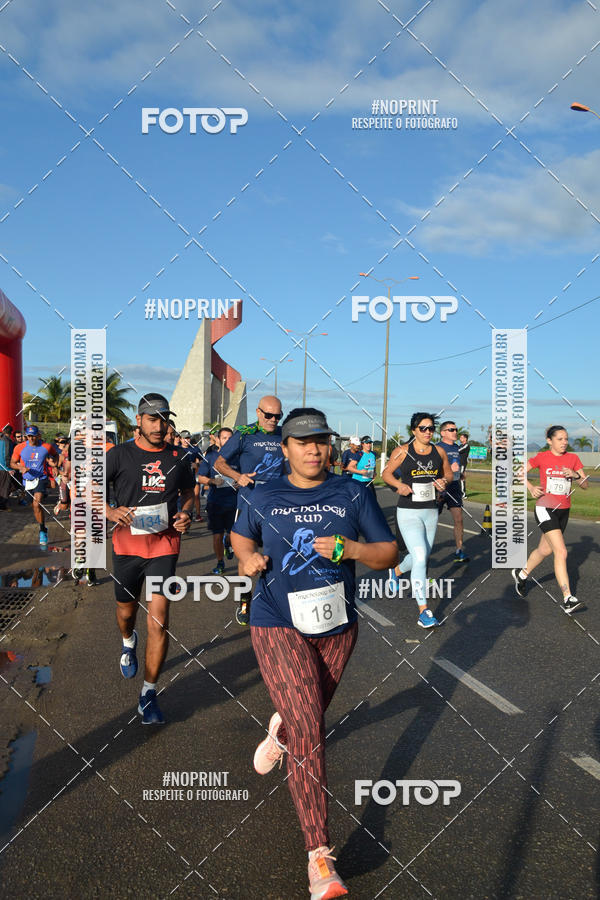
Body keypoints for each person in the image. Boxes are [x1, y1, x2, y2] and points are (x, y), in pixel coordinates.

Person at [231, 408, 397, 899]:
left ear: (330, 444)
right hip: (276, 619)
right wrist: (246, 558)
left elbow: (388, 552)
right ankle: (319, 857)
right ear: (284, 449)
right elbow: (241, 535)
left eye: (320, 440)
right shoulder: (261, 493)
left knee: (304, 715)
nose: (313, 449)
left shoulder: (354, 491)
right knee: (310, 724)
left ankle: (281, 727)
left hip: (337, 624)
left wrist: (352, 550)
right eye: (302, 442)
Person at [105, 393, 195, 724]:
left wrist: (186, 514)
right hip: (127, 547)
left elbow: (189, 494)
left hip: (164, 546)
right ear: (138, 422)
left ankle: (148, 694)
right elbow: (90, 489)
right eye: (152, 419)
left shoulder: (179, 457)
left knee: (159, 618)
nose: (159, 425)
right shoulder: (119, 454)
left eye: (164, 419)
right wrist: (111, 511)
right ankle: (128, 641)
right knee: (126, 614)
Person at [214, 395, 286, 625]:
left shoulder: (285, 435)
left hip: (278, 506)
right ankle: (245, 601)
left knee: (280, 555)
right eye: (268, 415)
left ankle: (275, 600)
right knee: (247, 556)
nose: (273, 420)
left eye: (278, 416)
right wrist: (238, 476)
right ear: (258, 412)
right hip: (249, 504)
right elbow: (219, 463)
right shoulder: (244, 435)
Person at [382, 413, 453, 627]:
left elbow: (449, 474)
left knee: (421, 555)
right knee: (421, 556)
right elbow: (386, 473)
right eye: (423, 428)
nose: (427, 432)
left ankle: (396, 571)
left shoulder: (439, 451)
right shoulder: (403, 451)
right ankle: (424, 611)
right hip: (408, 511)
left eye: (431, 428)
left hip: (431, 510)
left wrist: (443, 481)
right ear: (413, 430)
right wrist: (399, 485)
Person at [512, 425, 588, 613]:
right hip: (545, 508)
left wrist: (576, 475)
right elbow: (519, 473)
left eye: (566, 439)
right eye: (560, 439)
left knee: (545, 549)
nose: (564, 442)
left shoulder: (573, 458)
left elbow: (585, 485)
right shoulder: (542, 457)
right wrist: (530, 488)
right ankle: (568, 598)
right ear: (549, 440)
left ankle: (521, 574)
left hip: (564, 510)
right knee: (561, 552)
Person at [196, 427, 236, 573]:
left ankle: (228, 543)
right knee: (217, 535)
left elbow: (246, 475)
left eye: (230, 438)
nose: (228, 441)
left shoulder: (239, 456)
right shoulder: (211, 456)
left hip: (234, 503)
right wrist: (212, 481)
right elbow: (200, 477)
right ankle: (220, 562)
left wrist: (239, 482)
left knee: (233, 536)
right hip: (216, 502)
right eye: (224, 438)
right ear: (218, 439)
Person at [10, 426, 59, 547]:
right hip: (27, 480)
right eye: (29, 436)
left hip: (41, 478)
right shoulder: (20, 447)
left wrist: (55, 466)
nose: (31, 438)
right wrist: (21, 467)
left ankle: (42, 531)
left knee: (37, 503)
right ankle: (43, 526)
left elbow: (55, 455)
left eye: (33, 436)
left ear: (38, 436)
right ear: (26, 436)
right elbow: (12, 463)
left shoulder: (46, 447)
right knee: (34, 506)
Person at [436, 421, 469, 563]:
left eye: (455, 429)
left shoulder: (456, 447)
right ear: (443, 433)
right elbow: (432, 468)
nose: (455, 432)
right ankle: (421, 552)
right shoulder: (437, 447)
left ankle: (459, 550)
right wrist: (449, 468)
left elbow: (457, 467)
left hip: (454, 486)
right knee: (431, 520)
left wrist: (460, 475)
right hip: (440, 488)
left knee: (459, 519)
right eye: (451, 430)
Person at [0, 425, 15, 510]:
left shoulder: (1, 439)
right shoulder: (7, 441)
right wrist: (9, 468)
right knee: (5, 487)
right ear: (11, 433)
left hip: (1, 467)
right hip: (4, 468)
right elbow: (6, 456)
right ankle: (2, 506)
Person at [458, 432, 470, 499]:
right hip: (458, 463)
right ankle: (459, 493)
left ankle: (463, 494)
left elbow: (459, 450)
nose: (460, 438)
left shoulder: (466, 445)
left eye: (462, 437)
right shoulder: (460, 445)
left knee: (461, 478)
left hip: (462, 463)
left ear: (465, 439)